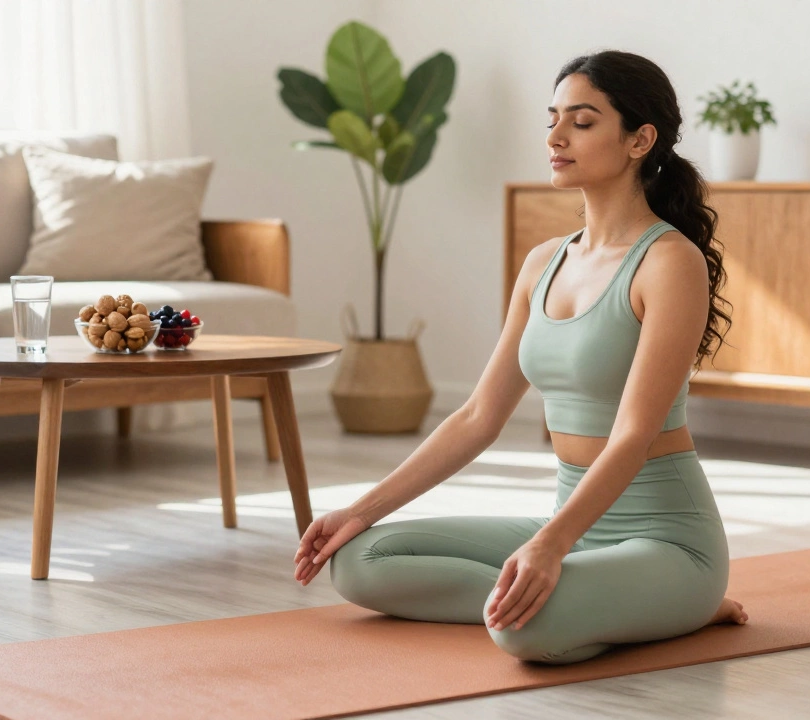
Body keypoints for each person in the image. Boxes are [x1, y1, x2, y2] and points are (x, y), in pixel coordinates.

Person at [292, 49, 747, 665]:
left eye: (582, 122)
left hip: (664, 539)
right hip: (569, 520)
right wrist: (358, 510)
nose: (556, 137)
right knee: (358, 562)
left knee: (523, 631)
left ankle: (678, 603)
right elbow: (479, 414)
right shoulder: (544, 262)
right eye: (553, 118)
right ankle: (612, 601)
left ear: (641, 139)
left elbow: (635, 435)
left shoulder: (669, 264)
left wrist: (552, 546)